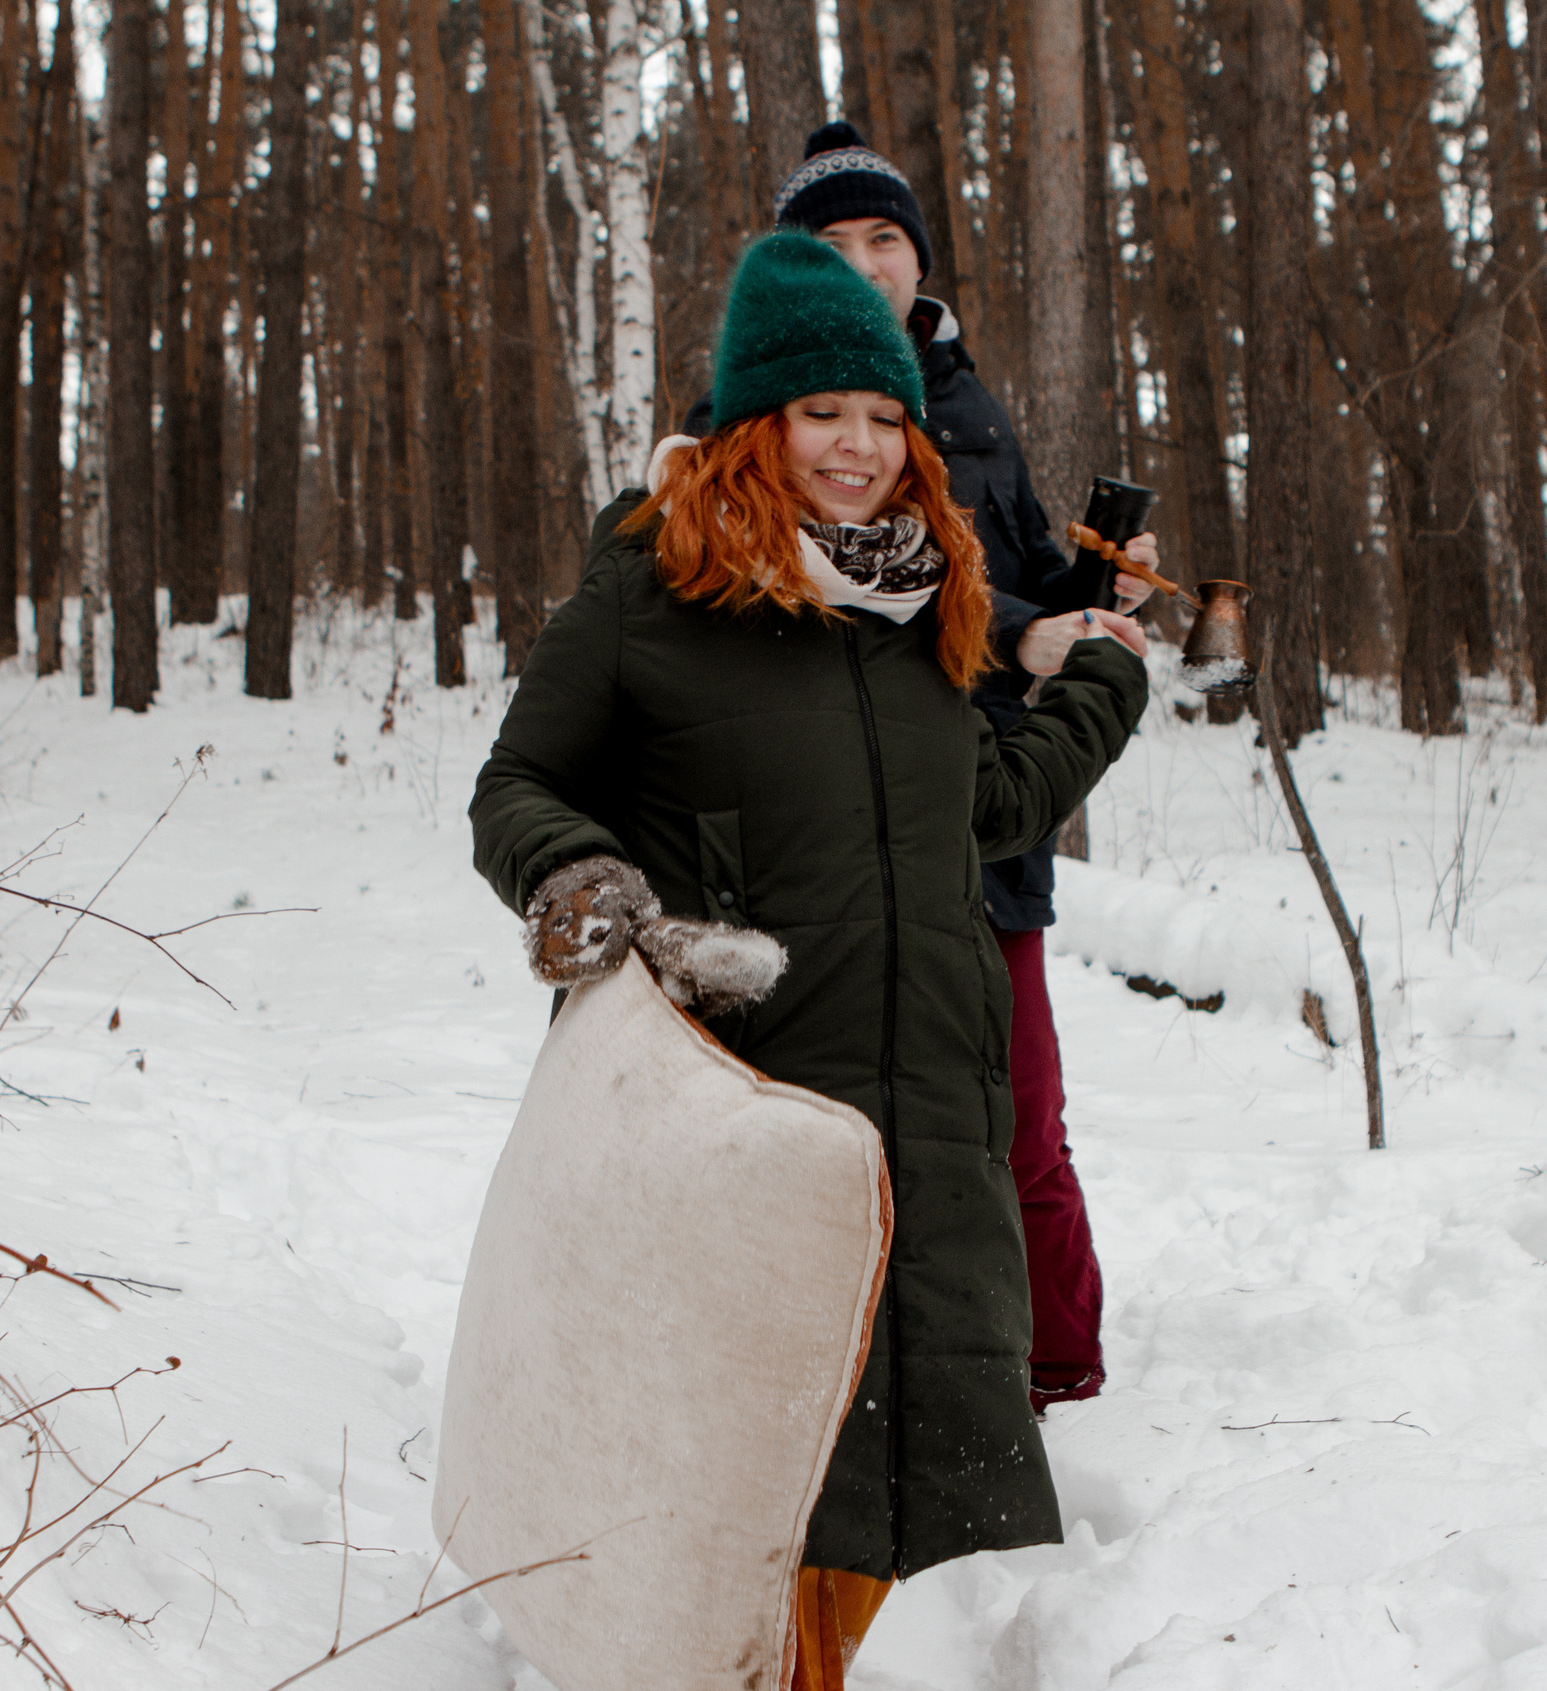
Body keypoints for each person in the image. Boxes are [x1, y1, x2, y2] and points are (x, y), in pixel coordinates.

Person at [469, 232, 1150, 1686]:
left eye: (885, 416)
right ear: (755, 423)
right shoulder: (650, 589)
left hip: (923, 1124)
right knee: (738, 1484)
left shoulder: (919, 610)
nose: (858, 446)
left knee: (875, 1500)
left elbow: (988, 806)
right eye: (822, 412)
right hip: (750, 1117)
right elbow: (515, 787)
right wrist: (587, 883)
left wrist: (1102, 681)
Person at [694, 121, 1154, 1412]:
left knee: (1017, 1110)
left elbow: (1000, 580)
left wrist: (1086, 593)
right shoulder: (742, 415)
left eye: (883, 237)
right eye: (829, 244)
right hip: (820, 826)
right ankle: (824, 1379)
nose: (862, 263)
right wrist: (1023, 627)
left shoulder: (968, 408)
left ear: (917, 258)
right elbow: (791, 583)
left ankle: (1055, 1368)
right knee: (822, 1123)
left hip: (985, 804)